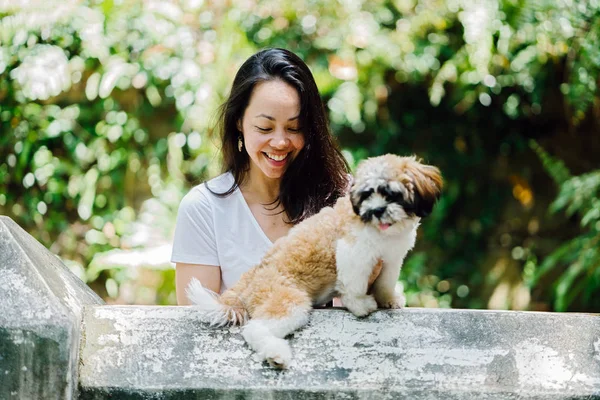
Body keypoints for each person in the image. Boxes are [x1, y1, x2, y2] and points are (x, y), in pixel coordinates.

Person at [171, 48, 351, 305]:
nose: (280, 141)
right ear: (239, 122)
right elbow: (197, 330)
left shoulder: (342, 199)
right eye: (264, 127)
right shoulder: (204, 209)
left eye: (294, 128)